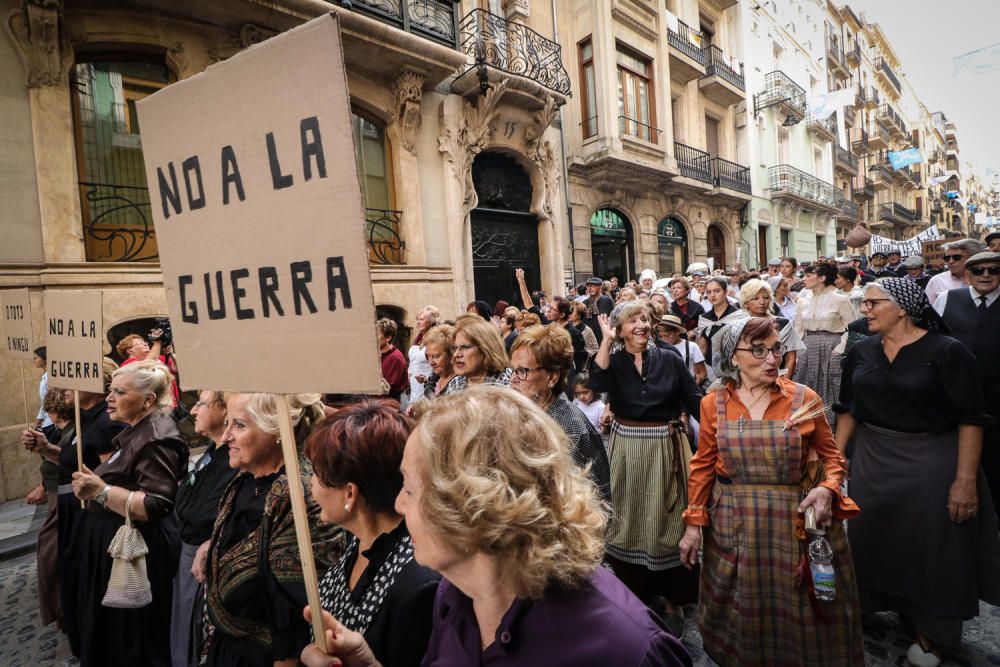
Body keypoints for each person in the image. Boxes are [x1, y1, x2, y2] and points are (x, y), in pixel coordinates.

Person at [300, 387, 693, 667]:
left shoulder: (624, 649)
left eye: (410, 488)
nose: (400, 504)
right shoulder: (455, 598)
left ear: (475, 506)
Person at [679, 317, 863, 666]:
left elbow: (833, 459)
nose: (772, 358)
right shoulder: (713, 402)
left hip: (793, 522)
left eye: (776, 348)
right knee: (742, 603)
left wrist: (826, 488)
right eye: (759, 350)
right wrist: (693, 524)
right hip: (734, 522)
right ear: (733, 357)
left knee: (798, 606)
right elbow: (703, 466)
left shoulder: (802, 397)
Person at [835, 278, 999, 666]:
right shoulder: (861, 351)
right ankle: (874, 603)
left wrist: (964, 481)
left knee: (933, 548)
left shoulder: (948, 352)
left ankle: (933, 632)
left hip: (933, 461)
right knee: (869, 537)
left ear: (903, 307)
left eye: (873, 303)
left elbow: (970, 419)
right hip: (872, 460)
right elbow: (848, 408)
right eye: (864, 304)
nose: (865, 310)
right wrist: (837, 458)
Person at [204, 392, 344, 667]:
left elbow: (297, 610)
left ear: (277, 430)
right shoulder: (245, 480)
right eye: (227, 423)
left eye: (239, 425)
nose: (225, 437)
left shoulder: (301, 498)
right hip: (230, 650)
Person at [590, 302, 703, 633]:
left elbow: (693, 398)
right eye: (632, 321)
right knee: (629, 516)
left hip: (666, 447)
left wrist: (716, 435)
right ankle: (635, 595)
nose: (640, 325)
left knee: (669, 517)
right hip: (626, 447)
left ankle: (674, 599)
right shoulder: (615, 358)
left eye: (643, 319)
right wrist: (606, 341)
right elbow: (597, 381)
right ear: (621, 329)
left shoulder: (669, 357)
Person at [69, 360, 189, 667]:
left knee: (135, 638)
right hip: (117, 545)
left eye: (119, 392)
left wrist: (101, 491)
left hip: (139, 554)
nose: (109, 397)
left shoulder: (158, 435)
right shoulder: (139, 428)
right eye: (110, 390)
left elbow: (156, 504)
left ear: (148, 399)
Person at [305, 399, 440, 667]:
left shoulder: (416, 585)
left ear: (350, 493)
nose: (310, 483)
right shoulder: (360, 541)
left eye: (317, 475)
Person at [170, 390, 237, 667]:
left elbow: (201, 515)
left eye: (200, 403)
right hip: (188, 557)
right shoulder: (213, 451)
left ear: (225, 411)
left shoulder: (232, 460)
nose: (193, 411)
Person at [510, 324, 612, 503]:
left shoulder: (569, 428)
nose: (513, 379)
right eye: (512, 369)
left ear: (552, 377)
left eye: (522, 371)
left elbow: (592, 501)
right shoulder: (527, 412)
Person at [934, 251, 1000, 518]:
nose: (986, 275)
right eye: (979, 270)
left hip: (996, 397)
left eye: (993, 270)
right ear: (967, 274)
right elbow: (933, 342)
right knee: (953, 457)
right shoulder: (946, 299)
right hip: (953, 397)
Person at [793, 263, 856, 423]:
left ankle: (833, 430)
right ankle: (807, 427)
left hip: (832, 346)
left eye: (808, 275)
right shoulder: (802, 301)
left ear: (822, 278)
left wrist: (840, 349)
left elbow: (852, 327)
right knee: (806, 386)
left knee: (832, 388)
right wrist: (797, 353)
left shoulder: (841, 299)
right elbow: (798, 330)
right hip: (808, 348)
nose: (804, 279)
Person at [738, 278, 805, 378]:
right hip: (747, 379)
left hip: (777, 376)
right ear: (746, 302)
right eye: (755, 298)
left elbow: (790, 357)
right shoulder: (738, 325)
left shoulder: (782, 323)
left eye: (765, 297)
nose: (762, 302)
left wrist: (784, 384)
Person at [443, 314, 511, 393]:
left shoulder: (505, 385)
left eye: (465, 347)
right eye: (455, 348)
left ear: (486, 349)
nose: (456, 354)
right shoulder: (456, 383)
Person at [697, 277, 741, 375]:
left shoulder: (738, 315)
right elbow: (703, 346)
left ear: (725, 292)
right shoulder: (705, 318)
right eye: (708, 292)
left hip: (735, 366)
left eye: (717, 291)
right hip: (711, 367)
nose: (712, 295)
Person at [925, 238, 985, 304]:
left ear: (972, 257)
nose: (951, 261)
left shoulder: (988, 278)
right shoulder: (936, 281)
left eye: (956, 257)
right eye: (947, 258)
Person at [658, 315, 707, 386]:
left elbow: (702, 372)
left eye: (667, 336)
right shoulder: (658, 347)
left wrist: (694, 386)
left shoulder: (691, 346)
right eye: (661, 336)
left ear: (677, 331)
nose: (664, 339)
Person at [407, 306, 439, 403]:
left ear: (431, 322)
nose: (418, 322)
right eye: (418, 320)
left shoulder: (435, 339)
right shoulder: (418, 339)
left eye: (421, 319)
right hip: (413, 385)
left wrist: (428, 381)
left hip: (427, 383)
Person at [375, 318, 408, 401]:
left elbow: (388, 389)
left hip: (390, 403)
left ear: (388, 338)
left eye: (377, 334)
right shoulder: (376, 354)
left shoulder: (395, 358)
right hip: (376, 400)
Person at [420, 324, 456, 400]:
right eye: (428, 356)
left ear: (451, 354)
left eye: (436, 356)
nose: (431, 362)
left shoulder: (458, 384)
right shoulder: (434, 377)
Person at [582, 276, 615, 346]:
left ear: (600, 287)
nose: (590, 288)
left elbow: (613, 318)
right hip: (589, 338)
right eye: (588, 286)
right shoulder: (585, 302)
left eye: (593, 286)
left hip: (604, 336)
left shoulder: (607, 300)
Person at [570, 300, 600, 365]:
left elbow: (594, 350)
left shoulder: (587, 330)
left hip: (581, 365)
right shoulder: (566, 326)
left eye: (572, 311)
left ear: (579, 315)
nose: (570, 313)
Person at [32, 345, 53, 435]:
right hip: (46, 419)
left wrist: (37, 421)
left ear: (45, 359)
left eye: (36, 358)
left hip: (51, 421)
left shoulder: (50, 377)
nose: (34, 360)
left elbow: (48, 401)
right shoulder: (45, 376)